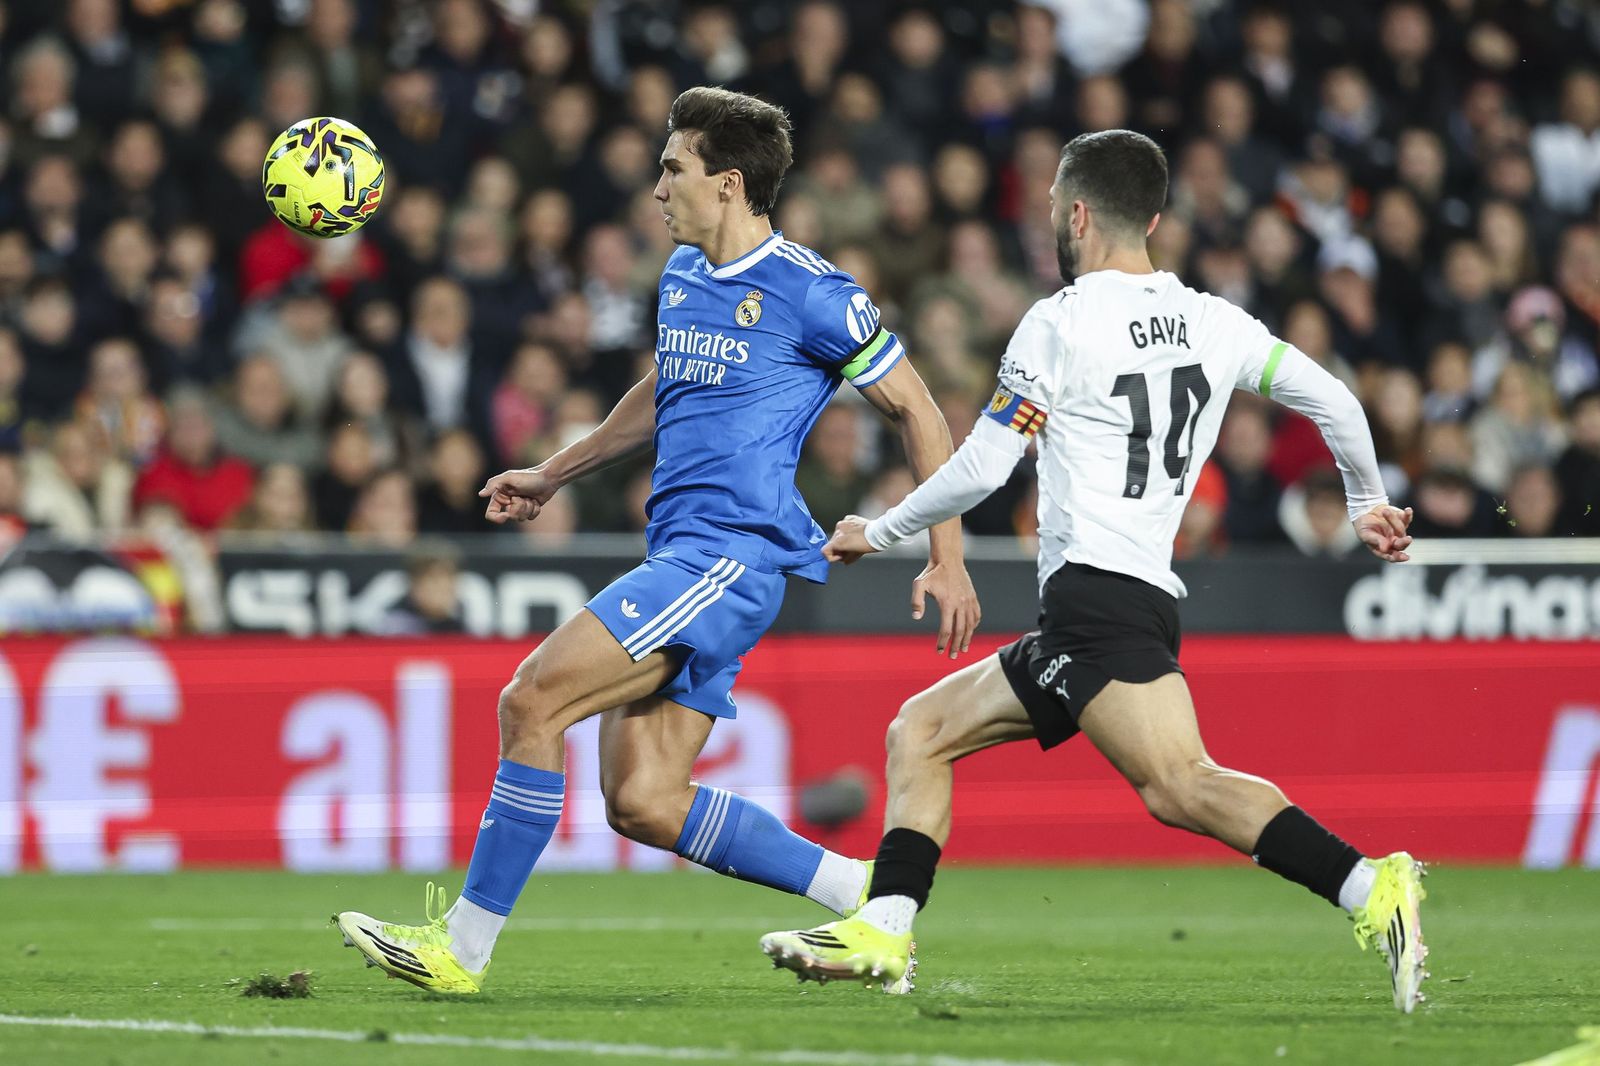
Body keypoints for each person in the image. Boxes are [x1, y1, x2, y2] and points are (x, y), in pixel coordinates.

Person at [760, 130, 1430, 1014]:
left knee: (1179, 784)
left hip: (1098, 598)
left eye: (1053, 207)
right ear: (1151, 216)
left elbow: (984, 468)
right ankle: (883, 930)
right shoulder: (1218, 322)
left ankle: (1370, 885)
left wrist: (878, 530)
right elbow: (1337, 401)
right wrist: (1362, 500)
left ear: (1076, 213)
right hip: (1115, 597)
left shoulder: (1061, 322)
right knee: (919, 731)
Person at [336, 86, 977, 995]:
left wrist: (946, 556)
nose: (655, 186)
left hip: (729, 557)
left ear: (727, 183)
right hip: (681, 555)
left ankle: (461, 951)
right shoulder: (681, 277)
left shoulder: (811, 292)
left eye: (672, 167)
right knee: (643, 801)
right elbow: (665, 386)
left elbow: (919, 409)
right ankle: (870, 901)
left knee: (532, 702)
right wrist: (555, 470)